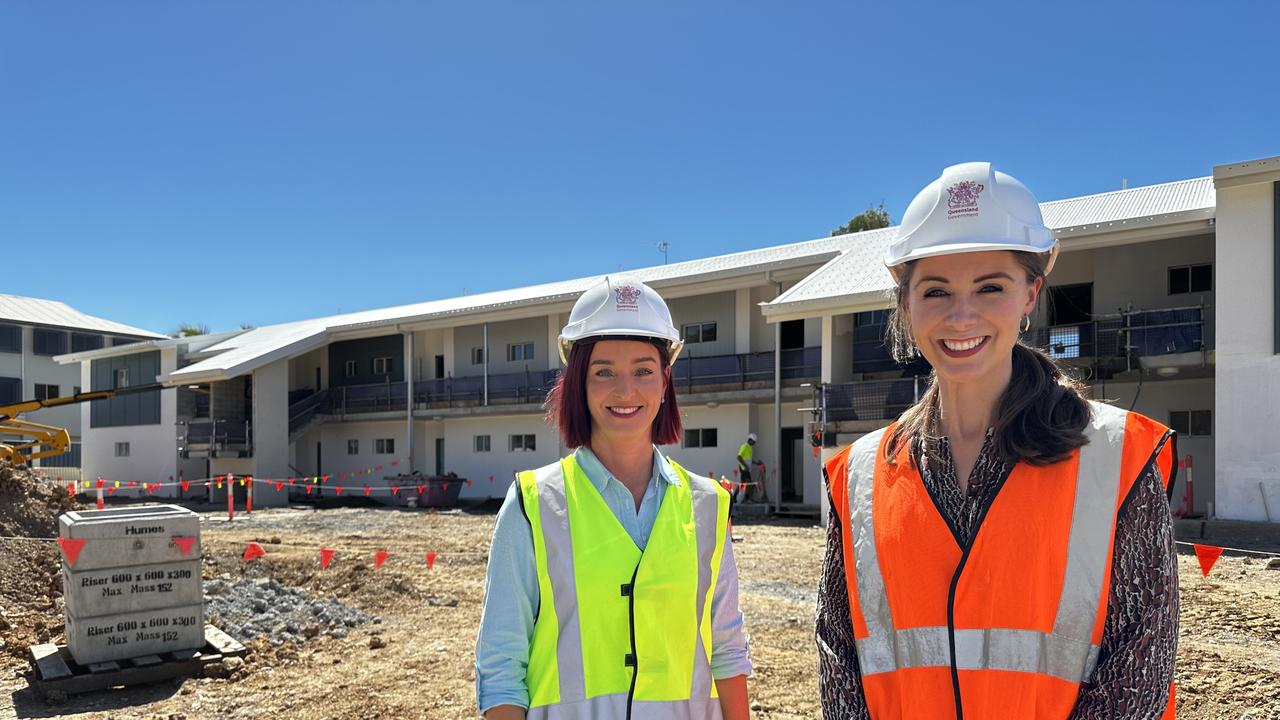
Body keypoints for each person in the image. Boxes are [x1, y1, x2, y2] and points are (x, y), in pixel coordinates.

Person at [815, 163, 1178, 719]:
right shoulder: (861, 473)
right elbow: (841, 657)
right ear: (906, 302)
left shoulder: (1115, 456)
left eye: (991, 287)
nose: (962, 316)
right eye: (936, 291)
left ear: (1030, 293)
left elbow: (1139, 668)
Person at [476, 274, 753, 719]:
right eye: (603, 372)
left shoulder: (708, 506)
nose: (625, 390)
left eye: (643, 370)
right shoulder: (531, 505)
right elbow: (502, 665)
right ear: (579, 385)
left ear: (665, 384)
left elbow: (727, 649)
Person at [735, 433, 765, 503]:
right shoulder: (745, 446)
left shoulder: (750, 448)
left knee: (744, 483)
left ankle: (740, 498)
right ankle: (745, 498)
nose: (754, 443)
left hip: (746, 469)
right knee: (747, 483)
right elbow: (739, 457)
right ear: (749, 440)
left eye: (754, 442)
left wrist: (757, 463)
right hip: (744, 468)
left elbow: (749, 460)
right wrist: (745, 466)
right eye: (753, 442)